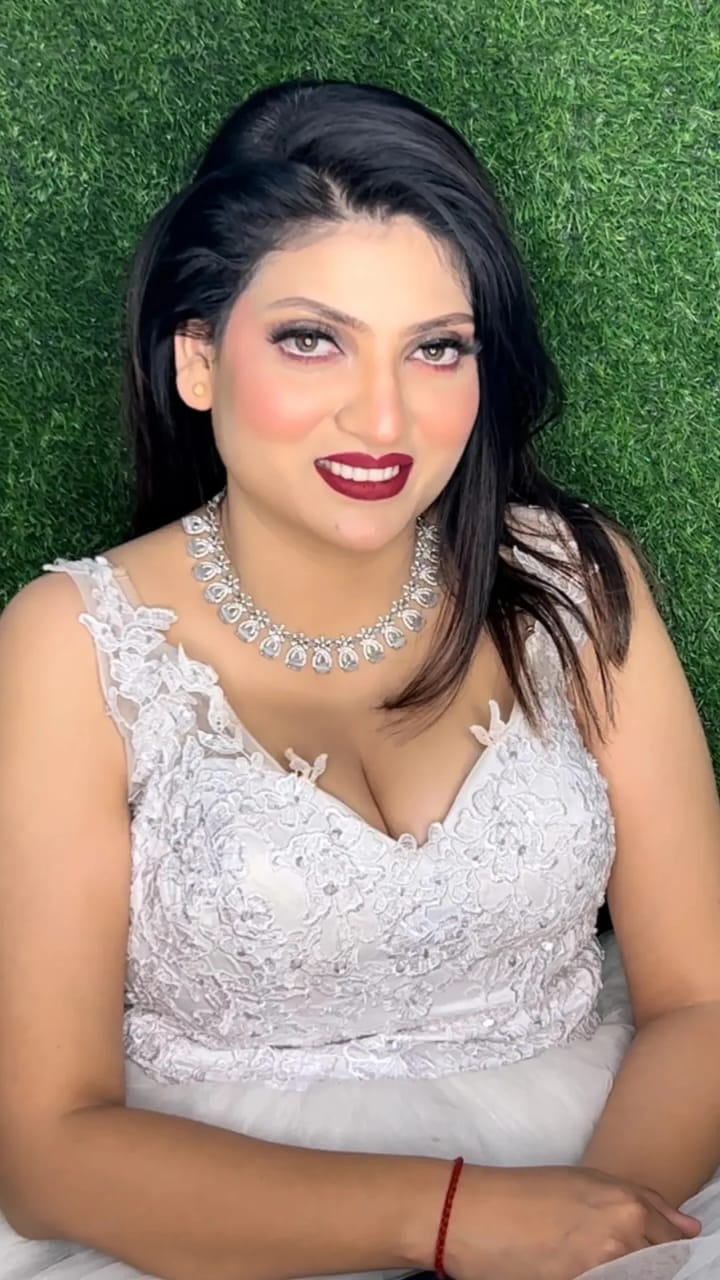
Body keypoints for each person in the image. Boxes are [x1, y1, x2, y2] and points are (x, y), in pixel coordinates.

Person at [1, 75, 719, 1280]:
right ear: (196, 358)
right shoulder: (72, 642)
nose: (384, 418)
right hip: (211, 1218)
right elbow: (46, 1147)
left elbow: (703, 999)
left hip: (611, 1162)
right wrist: (453, 1221)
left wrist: (594, 1232)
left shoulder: (573, 577)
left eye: (436, 348)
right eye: (311, 338)